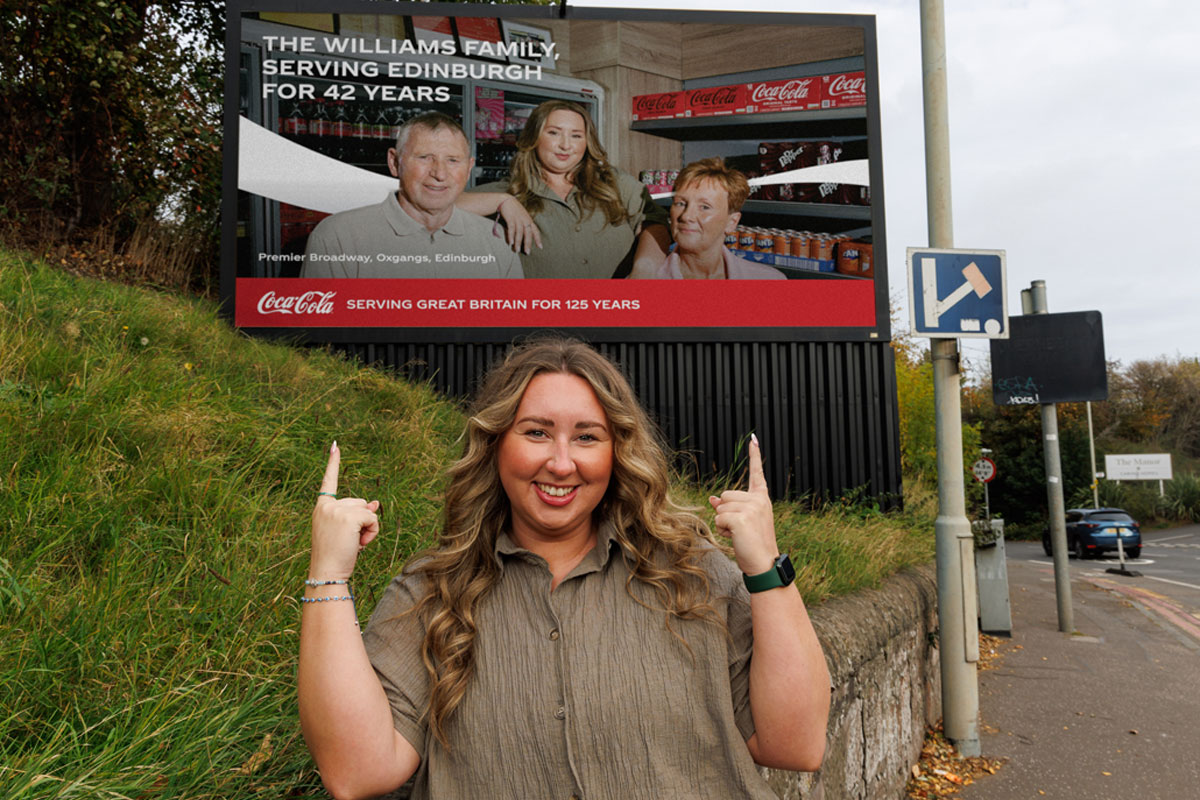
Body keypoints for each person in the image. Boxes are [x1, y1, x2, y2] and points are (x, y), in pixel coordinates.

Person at [298, 337, 830, 800]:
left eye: (586, 436)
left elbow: (795, 745)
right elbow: (357, 773)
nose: (560, 462)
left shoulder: (694, 574)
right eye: (535, 432)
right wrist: (328, 575)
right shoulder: (430, 595)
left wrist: (765, 568)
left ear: (617, 452)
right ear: (495, 444)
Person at [457, 100, 671, 279]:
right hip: (549, 321)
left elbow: (655, 221)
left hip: (618, 314)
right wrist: (502, 202)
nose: (565, 145)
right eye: (554, 133)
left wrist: (646, 268)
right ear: (534, 138)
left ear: (587, 142)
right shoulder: (510, 191)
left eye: (576, 135)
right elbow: (434, 206)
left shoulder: (615, 182)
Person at [301, 112, 523, 279]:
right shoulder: (337, 238)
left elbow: (512, 333)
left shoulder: (497, 242)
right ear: (394, 162)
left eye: (453, 160)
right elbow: (316, 338)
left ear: (468, 169)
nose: (439, 173)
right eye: (424, 157)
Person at [630, 157, 786, 280]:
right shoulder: (642, 285)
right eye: (680, 203)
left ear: (731, 222)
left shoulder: (770, 281)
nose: (686, 216)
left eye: (704, 207)